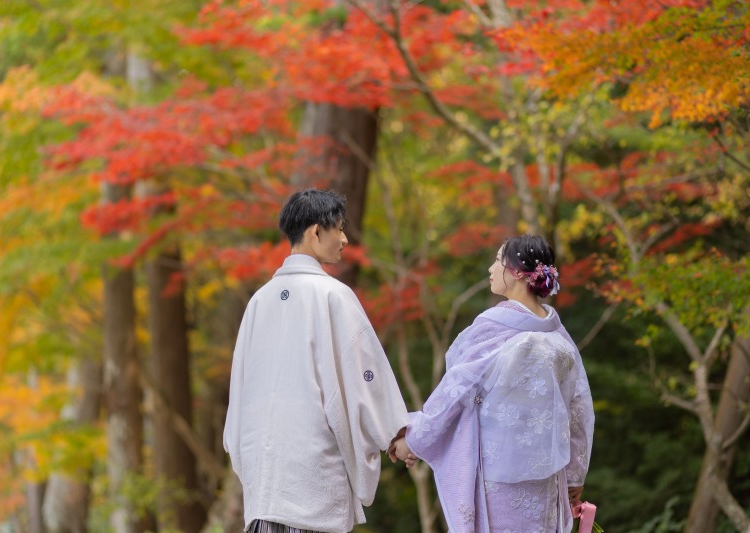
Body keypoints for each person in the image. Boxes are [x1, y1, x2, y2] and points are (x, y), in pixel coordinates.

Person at [224, 188, 410, 533]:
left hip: (264, 473)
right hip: (313, 471)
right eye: (338, 228)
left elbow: (239, 392)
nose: (344, 239)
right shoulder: (333, 295)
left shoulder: (259, 302)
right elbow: (363, 375)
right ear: (315, 232)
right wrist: (395, 433)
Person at [389, 234, 595, 533]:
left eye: (497, 261)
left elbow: (455, 392)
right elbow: (578, 409)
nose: (490, 269)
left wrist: (414, 438)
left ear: (517, 272)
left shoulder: (493, 327)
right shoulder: (558, 337)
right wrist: (575, 475)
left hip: (499, 478)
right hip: (548, 478)